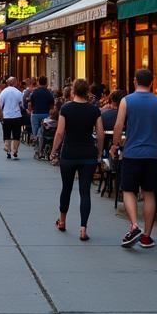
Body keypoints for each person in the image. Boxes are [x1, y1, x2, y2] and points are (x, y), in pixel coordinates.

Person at [110, 68, 157, 249]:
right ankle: (147, 236)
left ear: (135, 81)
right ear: (152, 83)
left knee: (129, 190)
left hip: (132, 152)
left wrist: (115, 144)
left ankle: (134, 225)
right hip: (153, 154)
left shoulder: (126, 101)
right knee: (149, 193)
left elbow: (118, 125)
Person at [50, 79, 103, 240]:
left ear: (73, 91)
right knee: (84, 191)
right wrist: (99, 152)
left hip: (69, 153)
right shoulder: (94, 110)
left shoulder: (66, 108)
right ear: (87, 92)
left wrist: (54, 151)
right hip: (88, 154)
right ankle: (83, 228)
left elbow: (60, 133)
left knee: (66, 187)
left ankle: (63, 221)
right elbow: (100, 133)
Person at [0, 77, 25, 159]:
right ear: (15, 83)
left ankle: (7, 148)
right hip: (16, 116)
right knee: (16, 134)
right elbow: (22, 104)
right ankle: (15, 151)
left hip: (6, 116)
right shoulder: (18, 92)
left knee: (7, 133)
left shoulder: (3, 92)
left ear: (7, 83)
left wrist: (0, 115)